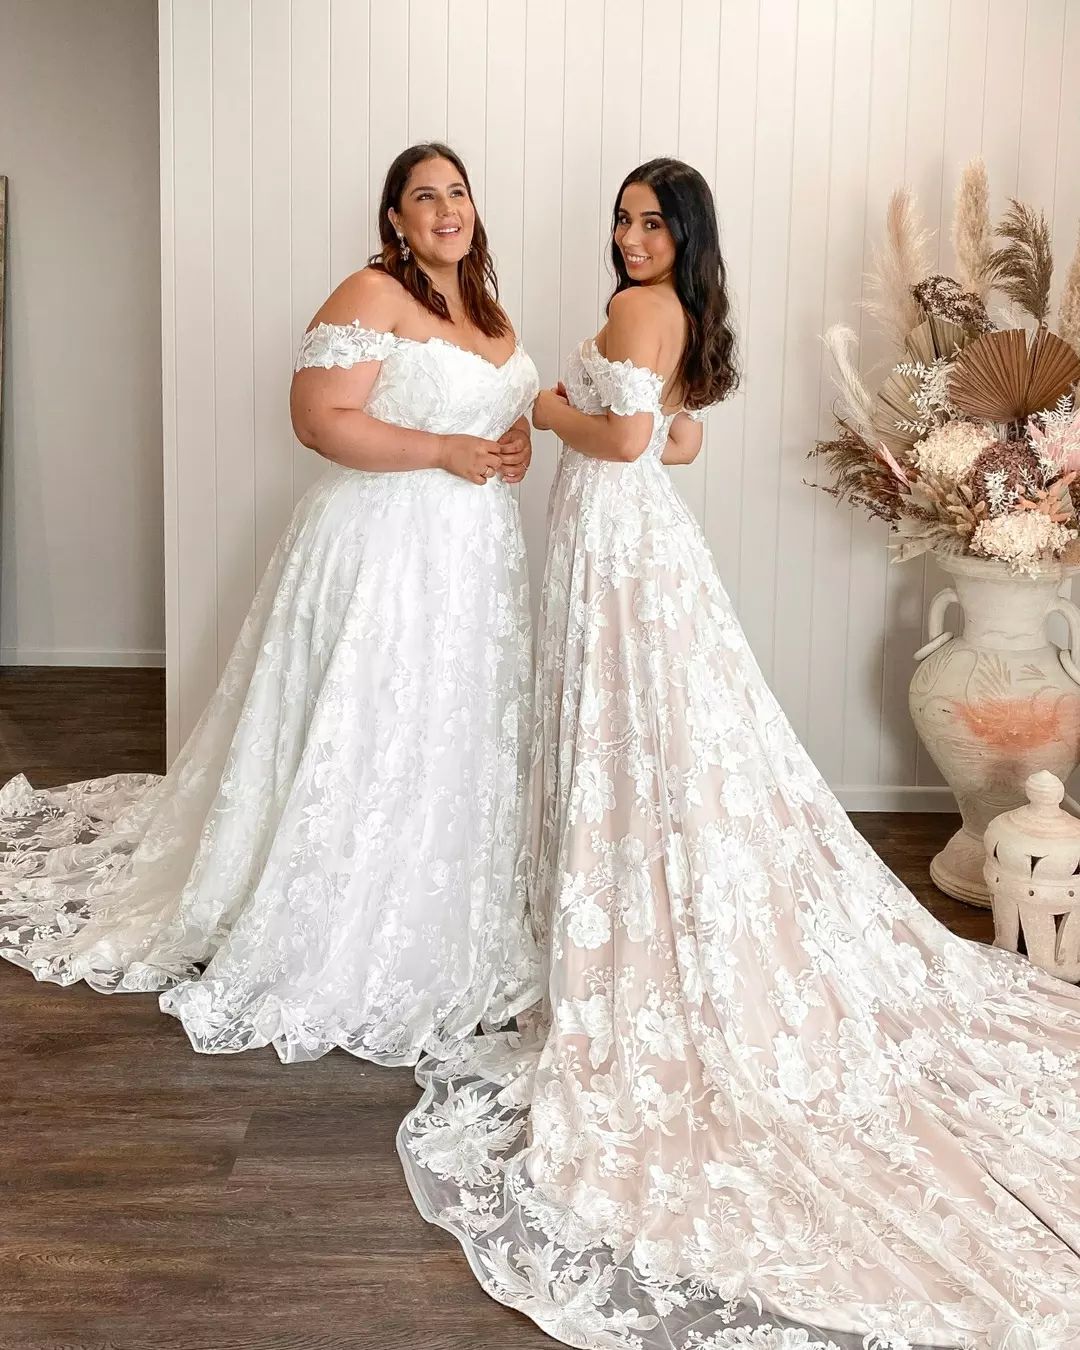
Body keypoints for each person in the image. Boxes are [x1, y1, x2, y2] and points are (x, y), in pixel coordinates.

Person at [398, 158, 1080, 1349]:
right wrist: (620, 426)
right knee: (656, 729)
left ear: (687, 235)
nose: (632, 235)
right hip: (631, 534)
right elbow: (679, 442)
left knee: (635, 722)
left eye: (654, 221)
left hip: (618, 544)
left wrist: (552, 411)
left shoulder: (634, 310)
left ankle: (634, 900)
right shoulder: (676, 315)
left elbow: (617, 436)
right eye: (624, 218)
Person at [0, 141, 542, 1066]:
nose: (448, 208)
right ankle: (330, 913)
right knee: (367, 724)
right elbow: (319, 420)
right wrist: (446, 452)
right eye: (426, 196)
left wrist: (513, 436)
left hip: (474, 562)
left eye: (459, 192)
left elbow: (495, 406)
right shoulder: (372, 293)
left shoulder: (487, 312)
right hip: (383, 549)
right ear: (395, 219)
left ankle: (435, 904)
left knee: (448, 731)